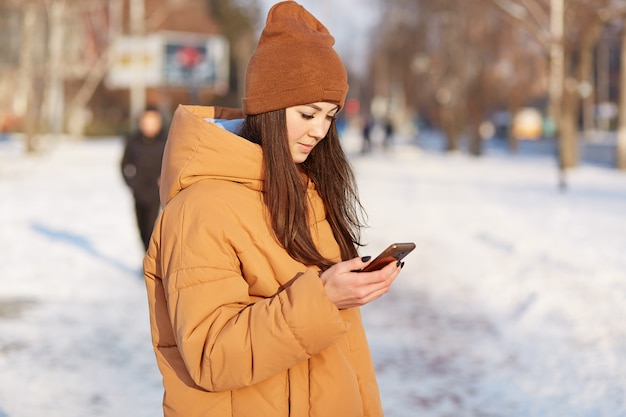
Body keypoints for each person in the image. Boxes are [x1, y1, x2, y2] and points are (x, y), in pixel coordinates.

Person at [143, 2, 404, 416]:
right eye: (307, 113)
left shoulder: (310, 191)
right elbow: (212, 354)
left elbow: (349, 359)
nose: (319, 130)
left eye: (330, 117)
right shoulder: (200, 208)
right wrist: (322, 299)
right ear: (267, 106)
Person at [120, 105, 167, 251]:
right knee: (141, 229)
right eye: (146, 122)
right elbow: (124, 164)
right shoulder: (133, 141)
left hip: (156, 192)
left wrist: (164, 180)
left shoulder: (166, 141)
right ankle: (147, 257)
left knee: (152, 229)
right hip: (138, 190)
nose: (149, 126)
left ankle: (151, 262)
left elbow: (174, 163)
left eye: (153, 122)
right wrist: (131, 182)